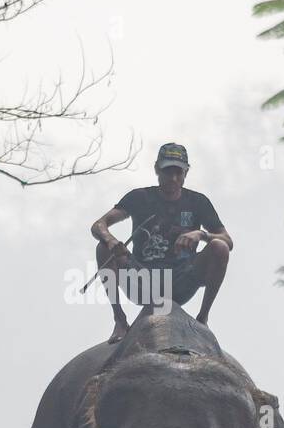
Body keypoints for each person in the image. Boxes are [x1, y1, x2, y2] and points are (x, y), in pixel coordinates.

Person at [90, 142, 233, 343]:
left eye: (178, 172)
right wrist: (111, 240)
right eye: (167, 172)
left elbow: (227, 240)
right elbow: (99, 224)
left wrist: (201, 235)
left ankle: (203, 318)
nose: (173, 178)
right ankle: (120, 320)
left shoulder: (198, 202)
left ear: (186, 172)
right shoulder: (139, 197)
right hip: (141, 278)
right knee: (103, 248)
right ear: (157, 169)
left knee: (220, 247)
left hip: (182, 280)